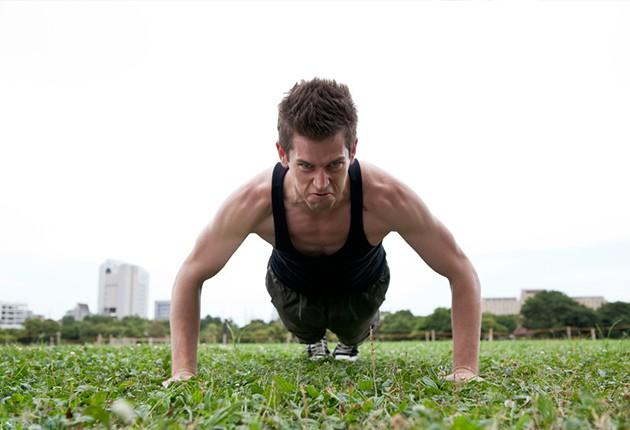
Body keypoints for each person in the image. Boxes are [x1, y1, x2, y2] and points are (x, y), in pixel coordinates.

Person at [165, 78, 481, 386]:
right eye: (306, 167)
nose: (321, 184)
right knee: (305, 330)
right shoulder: (254, 201)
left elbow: (459, 269)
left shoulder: (386, 196)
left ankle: (352, 338)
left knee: (352, 331)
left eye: (334, 166)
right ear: (283, 154)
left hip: (362, 288)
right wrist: (183, 373)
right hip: (292, 289)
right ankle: (312, 340)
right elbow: (190, 274)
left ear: (352, 150)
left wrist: (465, 368)